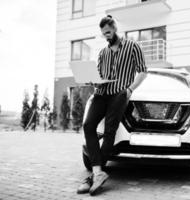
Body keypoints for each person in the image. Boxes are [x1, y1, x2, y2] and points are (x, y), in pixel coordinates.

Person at [77, 15, 147, 196]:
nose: (106, 36)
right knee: (88, 125)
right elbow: (99, 77)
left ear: (115, 28)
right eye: (103, 34)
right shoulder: (102, 53)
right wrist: (91, 80)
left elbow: (143, 72)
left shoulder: (133, 46)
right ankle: (98, 173)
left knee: (109, 131)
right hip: (101, 93)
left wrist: (130, 90)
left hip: (119, 93)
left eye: (108, 32)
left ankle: (93, 176)